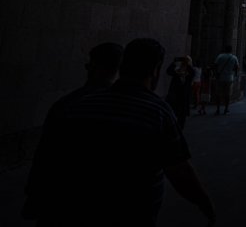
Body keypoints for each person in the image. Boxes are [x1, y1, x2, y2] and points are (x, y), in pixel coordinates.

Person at [24, 38, 215, 227]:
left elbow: (46, 158)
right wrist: (206, 205)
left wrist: (35, 200)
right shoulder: (158, 112)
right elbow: (179, 170)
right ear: (155, 71)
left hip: (70, 211)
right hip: (131, 214)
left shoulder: (78, 104)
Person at [22, 42, 124, 222]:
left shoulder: (66, 104)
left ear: (92, 67)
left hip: (61, 201)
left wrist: (34, 196)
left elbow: (45, 155)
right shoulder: (127, 109)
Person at [165, 55, 195, 129]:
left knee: (182, 117)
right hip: (174, 96)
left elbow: (192, 72)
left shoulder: (190, 73)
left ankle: (179, 129)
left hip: (183, 97)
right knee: (173, 114)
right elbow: (168, 71)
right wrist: (174, 62)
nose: (184, 63)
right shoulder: (177, 70)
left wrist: (187, 63)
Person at [213, 45, 239, 115]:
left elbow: (215, 65)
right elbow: (237, 67)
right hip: (229, 78)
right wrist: (235, 74)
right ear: (231, 50)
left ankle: (218, 109)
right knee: (227, 94)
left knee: (218, 94)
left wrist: (216, 74)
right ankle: (226, 109)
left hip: (220, 77)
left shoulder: (220, 56)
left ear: (225, 49)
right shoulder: (234, 57)